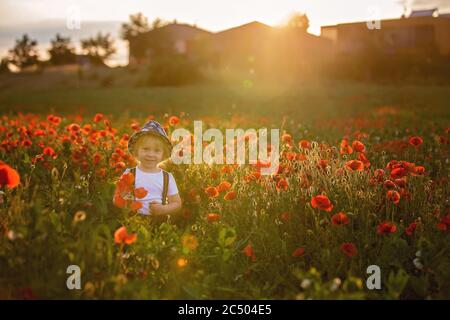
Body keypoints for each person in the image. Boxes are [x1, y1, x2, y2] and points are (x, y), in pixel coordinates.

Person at [114, 120, 182, 221]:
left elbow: (177, 203)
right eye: (146, 149)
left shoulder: (167, 177)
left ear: (163, 154)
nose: (150, 154)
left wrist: (163, 209)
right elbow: (116, 198)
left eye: (156, 150)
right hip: (133, 221)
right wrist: (125, 200)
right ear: (137, 151)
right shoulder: (129, 173)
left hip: (158, 222)